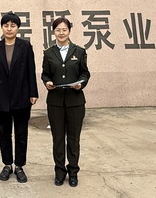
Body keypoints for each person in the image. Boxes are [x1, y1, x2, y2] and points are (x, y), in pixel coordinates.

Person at [0, 12, 38, 183]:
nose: (9, 29)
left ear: (18, 28)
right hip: (1, 97)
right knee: (4, 133)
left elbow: (31, 70)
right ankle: (7, 164)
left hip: (22, 96)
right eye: (6, 25)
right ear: (2, 27)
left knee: (21, 133)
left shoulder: (25, 46)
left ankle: (19, 166)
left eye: (13, 26)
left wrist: (33, 93)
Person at [41, 16, 90, 187]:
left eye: (64, 30)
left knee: (74, 139)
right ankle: (59, 172)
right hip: (55, 102)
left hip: (75, 102)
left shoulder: (79, 51)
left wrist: (81, 83)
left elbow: (85, 73)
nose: (61, 33)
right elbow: (45, 74)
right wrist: (47, 82)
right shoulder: (48, 53)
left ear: (69, 31)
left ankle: (73, 172)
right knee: (58, 139)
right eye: (58, 30)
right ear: (53, 32)